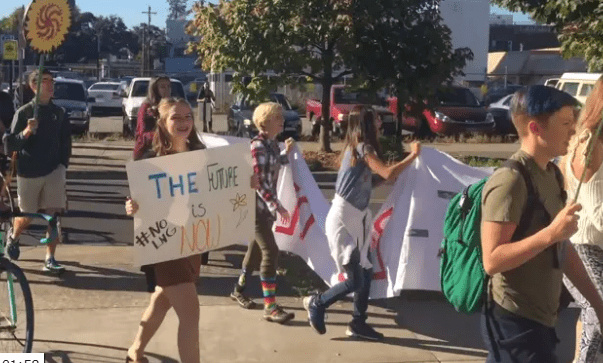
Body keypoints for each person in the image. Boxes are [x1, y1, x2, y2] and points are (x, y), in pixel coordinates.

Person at [125, 97, 258, 363]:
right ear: (163, 122)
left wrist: (247, 183)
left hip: (193, 241)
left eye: (188, 116)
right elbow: (140, 200)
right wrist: (132, 206)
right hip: (165, 244)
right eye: (176, 117)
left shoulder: (202, 154)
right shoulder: (151, 159)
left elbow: (220, 190)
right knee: (190, 314)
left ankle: (135, 352)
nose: (184, 122)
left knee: (161, 300)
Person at [480, 85, 603, 363]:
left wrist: (597, 304)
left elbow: (563, 248)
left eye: (574, 121)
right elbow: (492, 260)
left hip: (543, 319)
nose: (573, 130)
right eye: (565, 123)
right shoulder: (510, 180)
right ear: (536, 128)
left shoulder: (551, 174)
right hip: (512, 319)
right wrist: (550, 234)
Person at [303, 105, 421, 340]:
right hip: (345, 220)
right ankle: (318, 302)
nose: (380, 122)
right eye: (376, 119)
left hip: (354, 219)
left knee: (365, 273)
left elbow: (373, 180)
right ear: (367, 124)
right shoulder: (362, 148)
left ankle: (358, 322)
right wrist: (413, 155)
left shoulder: (356, 149)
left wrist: (395, 176)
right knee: (355, 279)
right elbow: (387, 173)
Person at [230, 102, 296, 324]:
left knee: (256, 250)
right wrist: (278, 206)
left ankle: (238, 289)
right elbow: (260, 182)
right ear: (266, 121)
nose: (282, 121)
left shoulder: (273, 145)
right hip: (255, 208)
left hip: (264, 209)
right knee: (271, 252)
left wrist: (288, 151)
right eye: (278, 117)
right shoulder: (257, 145)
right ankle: (270, 306)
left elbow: (277, 165)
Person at [4, 69, 71, 273]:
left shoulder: (59, 113)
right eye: (45, 81)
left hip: (54, 171)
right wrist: (26, 132)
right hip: (29, 171)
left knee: (53, 215)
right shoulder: (24, 113)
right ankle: (14, 237)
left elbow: (65, 141)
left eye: (52, 81)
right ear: (34, 86)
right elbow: (9, 145)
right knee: (28, 216)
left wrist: (63, 164)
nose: (50, 85)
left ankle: (50, 257)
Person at [561, 75, 603, 363]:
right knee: (597, 312)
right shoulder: (591, 143)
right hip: (584, 246)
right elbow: (599, 214)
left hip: (592, 244)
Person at [133, 76, 171, 160]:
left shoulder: (172, 106)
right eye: (163, 87)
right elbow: (142, 133)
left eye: (168, 86)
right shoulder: (146, 106)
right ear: (154, 89)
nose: (167, 89)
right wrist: (161, 135)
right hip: (147, 151)